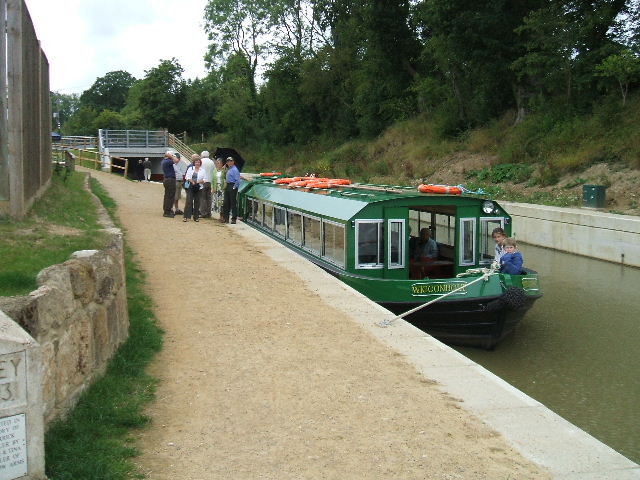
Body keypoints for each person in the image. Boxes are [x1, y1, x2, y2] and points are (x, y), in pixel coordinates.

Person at [183, 155, 205, 222]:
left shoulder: (203, 170)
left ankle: (196, 217)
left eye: (198, 162)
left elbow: (205, 179)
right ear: (194, 163)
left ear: (200, 163)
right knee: (188, 201)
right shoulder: (190, 169)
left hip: (199, 187)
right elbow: (187, 177)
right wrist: (192, 181)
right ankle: (186, 216)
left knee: (197, 202)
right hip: (191, 186)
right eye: (196, 162)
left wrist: (199, 181)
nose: (197, 163)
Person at [221, 156, 240, 224]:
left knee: (233, 202)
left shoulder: (235, 169)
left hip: (232, 185)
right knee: (226, 202)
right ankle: (226, 218)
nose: (229, 162)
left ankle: (233, 218)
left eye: (231, 161)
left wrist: (234, 187)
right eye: (228, 161)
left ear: (233, 162)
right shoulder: (228, 169)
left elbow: (237, 180)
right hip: (228, 185)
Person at [161, 151, 178, 217]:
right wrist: (171, 156)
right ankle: (167, 211)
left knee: (167, 195)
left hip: (167, 179)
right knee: (170, 196)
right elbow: (177, 160)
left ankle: (166, 209)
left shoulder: (164, 161)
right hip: (170, 179)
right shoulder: (168, 161)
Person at [200, 150, 215, 218]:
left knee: (203, 198)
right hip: (210, 181)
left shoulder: (201, 161)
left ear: (202, 155)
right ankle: (209, 213)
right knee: (209, 198)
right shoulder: (212, 162)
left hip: (203, 182)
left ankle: (203, 213)